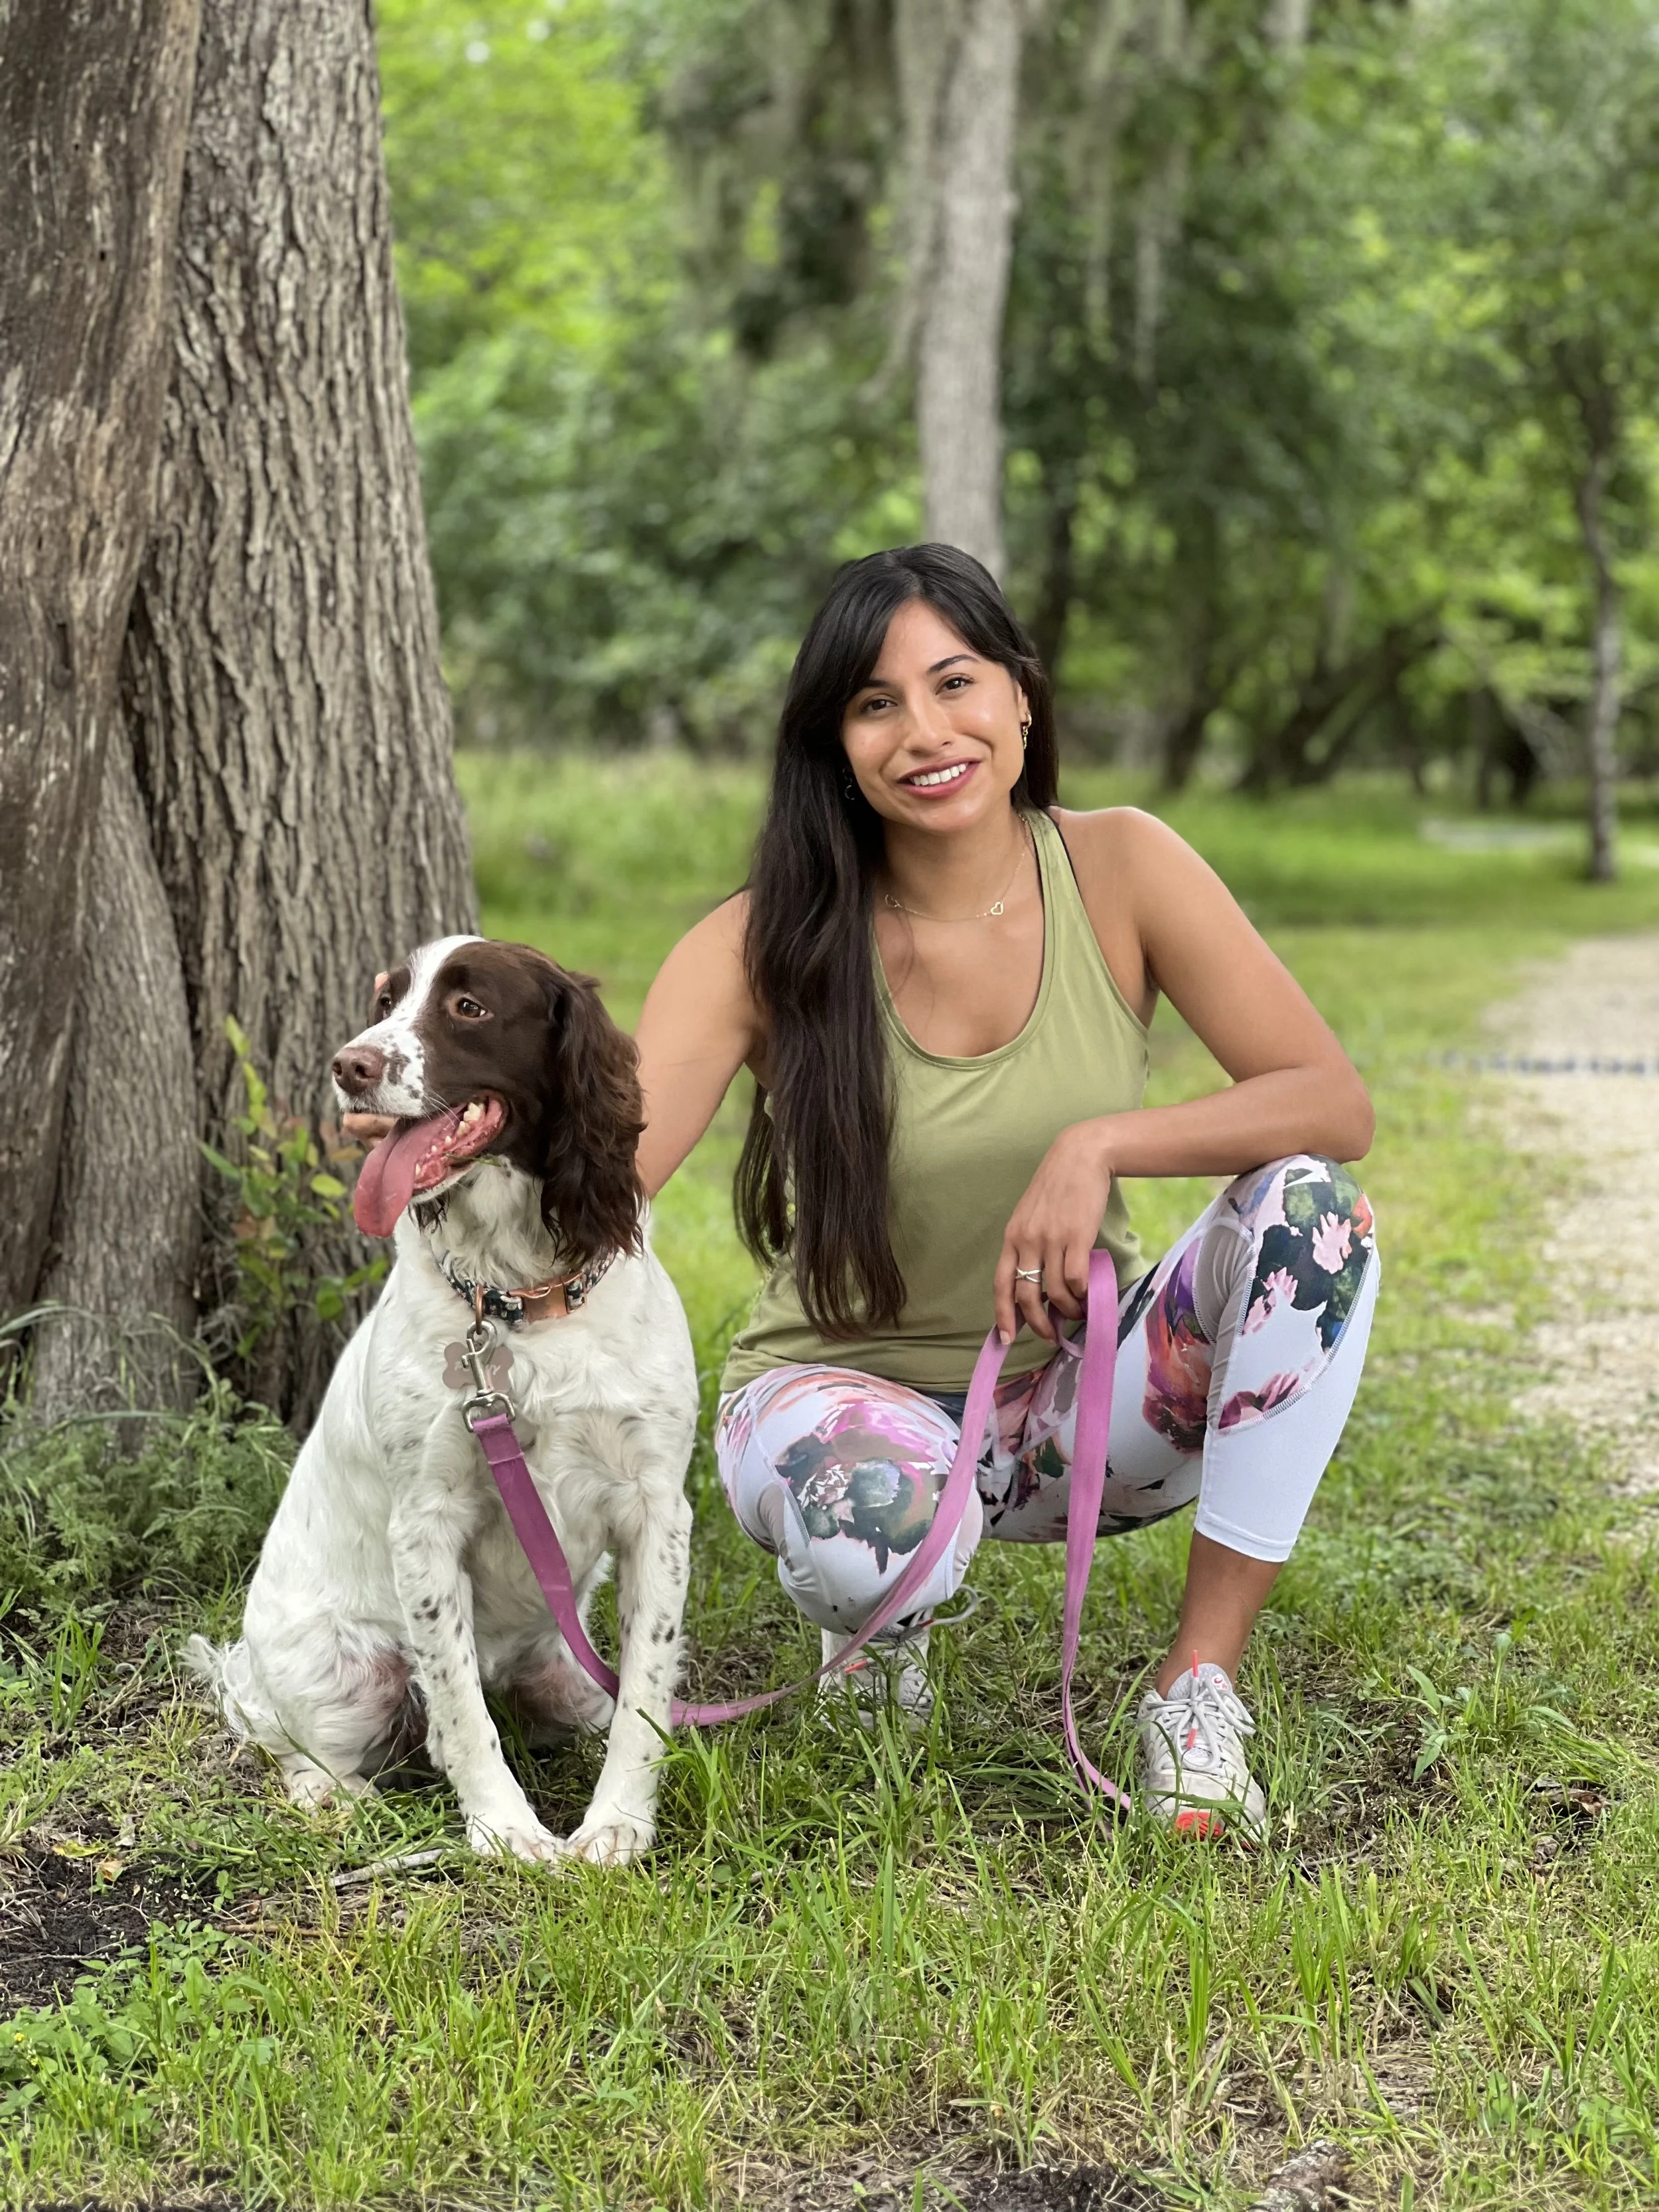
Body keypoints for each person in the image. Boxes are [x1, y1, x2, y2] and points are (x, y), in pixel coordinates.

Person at [632, 544, 1378, 1836]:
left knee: (1312, 1216)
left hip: (1066, 1412)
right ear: (835, 744)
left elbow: (1330, 1099)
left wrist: (1097, 1142)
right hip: (837, 1394)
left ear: (1020, 699)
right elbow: (608, 1173)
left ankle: (1195, 1691)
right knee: (879, 1536)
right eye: (874, 704)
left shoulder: (1121, 868)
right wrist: (450, 1122)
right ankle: (873, 1629)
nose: (924, 732)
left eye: (953, 682)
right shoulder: (759, 942)